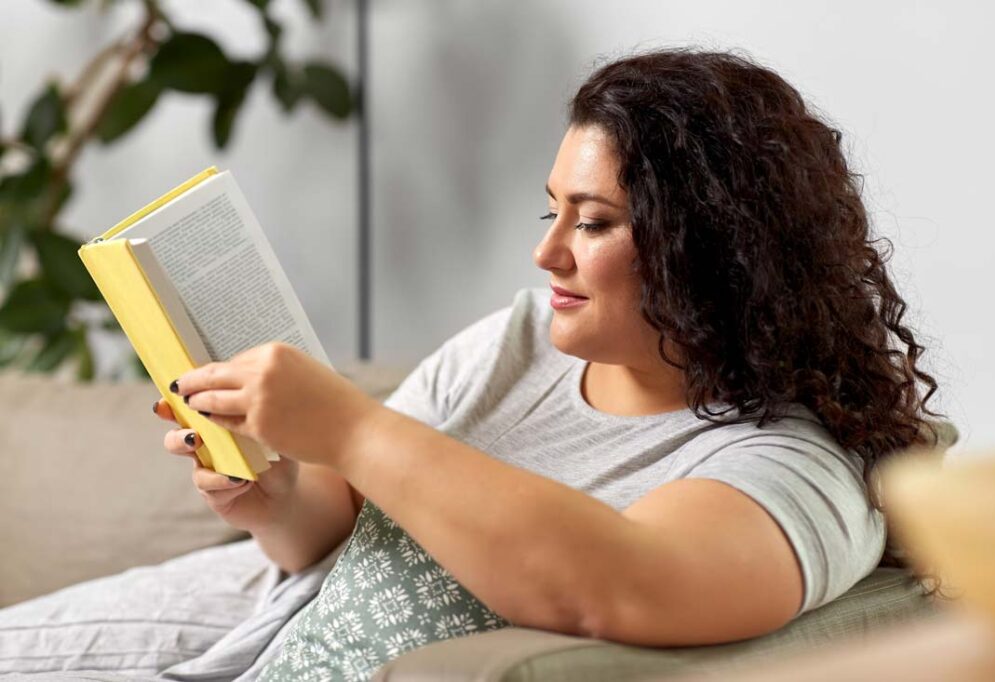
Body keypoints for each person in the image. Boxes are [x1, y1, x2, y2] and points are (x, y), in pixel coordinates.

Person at [0, 47, 944, 681]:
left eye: (598, 222)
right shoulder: (517, 344)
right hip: (248, 621)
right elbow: (334, 530)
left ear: (719, 246)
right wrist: (270, 492)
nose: (550, 255)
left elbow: (620, 583)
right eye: (554, 212)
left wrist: (352, 427)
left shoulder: (794, 467)